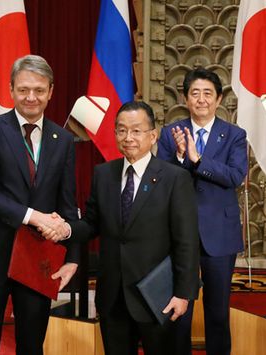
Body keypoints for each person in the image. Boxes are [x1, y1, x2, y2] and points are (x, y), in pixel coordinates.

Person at [0, 54, 79, 355]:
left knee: (32, 343)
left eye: (39, 90)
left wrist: (71, 255)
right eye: (23, 89)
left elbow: (67, 202)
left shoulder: (62, 139)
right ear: (11, 89)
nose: (31, 97)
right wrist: (35, 216)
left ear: (51, 91)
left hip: (38, 259)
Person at [54, 101, 200, 354]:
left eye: (136, 130)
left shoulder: (175, 178)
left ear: (153, 135)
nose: (128, 137)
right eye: (121, 130)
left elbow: (186, 241)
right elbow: (91, 224)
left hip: (158, 296)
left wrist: (183, 293)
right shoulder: (103, 174)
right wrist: (65, 229)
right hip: (113, 295)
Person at [157, 67, 248, 355]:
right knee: (178, 310)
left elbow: (235, 176)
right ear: (185, 98)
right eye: (194, 93)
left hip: (219, 234)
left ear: (219, 99)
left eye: (208, 93)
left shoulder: (234, 134)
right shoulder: (170, 134)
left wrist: (198, 160)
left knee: (218, 313)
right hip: (178, 233)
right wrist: (182, 157)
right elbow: (160, 178)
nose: (201, 99)